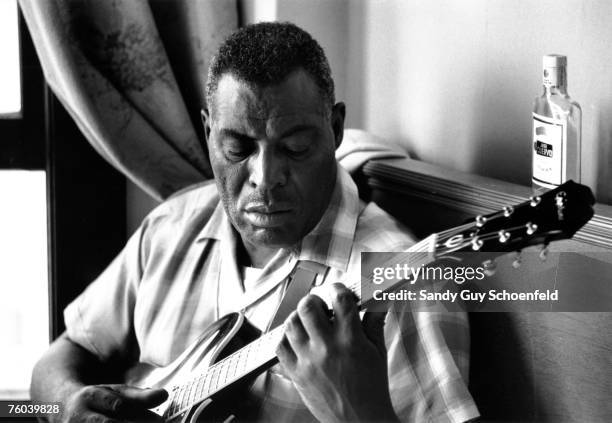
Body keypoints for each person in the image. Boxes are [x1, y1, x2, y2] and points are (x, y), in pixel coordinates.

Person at [31, 22, 479, 423]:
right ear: (208, 133)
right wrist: (67, 403)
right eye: (239, 149)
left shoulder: (406, 279)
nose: (265, 179)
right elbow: (61, 357)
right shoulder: (171, 226)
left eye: (295, 147)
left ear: (336, 129)